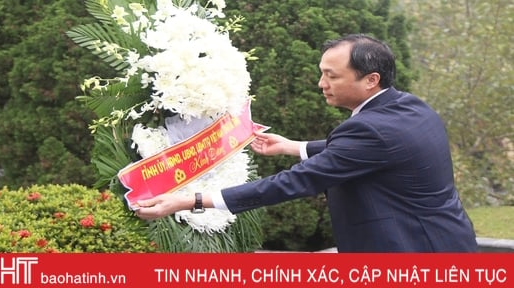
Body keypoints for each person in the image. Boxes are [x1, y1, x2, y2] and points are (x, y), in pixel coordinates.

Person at [134, 34, 478, 252]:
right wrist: (293, 146)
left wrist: (190, 200)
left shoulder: (369, 131)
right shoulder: (408, 107)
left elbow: (296, 182)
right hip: (448, 241)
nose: (320, 83)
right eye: (322, 72)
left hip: (410, 252)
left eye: (332, 76)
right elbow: (367, 151)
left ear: (370, 80)